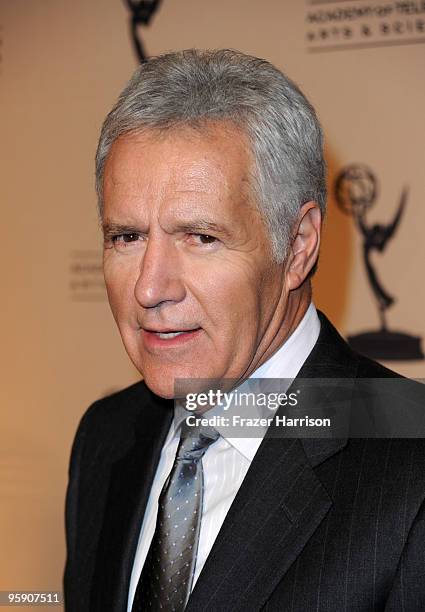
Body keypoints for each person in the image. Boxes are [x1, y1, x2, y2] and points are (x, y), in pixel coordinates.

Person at [63, 49, 425, 612]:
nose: (150, 288)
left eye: (201, 238)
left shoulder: (412, 462)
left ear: (299, 245)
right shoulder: (105, 438)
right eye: (126, 237)